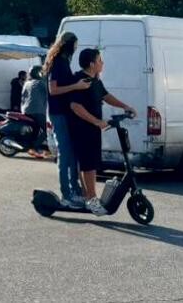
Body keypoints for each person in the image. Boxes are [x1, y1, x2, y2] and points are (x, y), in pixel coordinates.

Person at [68, 47, 136, 215]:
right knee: (88, 165)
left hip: (93, 128)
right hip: (82, 128)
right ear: (92, 64)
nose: (102, 63)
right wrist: (97, 122)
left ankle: (89, 198)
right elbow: (75, 106)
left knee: (91, 164)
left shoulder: (95, 80)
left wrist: (125, 106)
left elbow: (105, 96)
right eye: (100, 60)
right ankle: (91, 200)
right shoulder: (80, 81)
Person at [42, 32, 91, 209]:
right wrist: (76, 86)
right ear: (69, 44)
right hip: (58, 113)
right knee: (65, 153)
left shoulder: (63, 61)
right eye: (75, 45)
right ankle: (66, 194)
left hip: (65, 112)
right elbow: (53, 89)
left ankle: (75, 190)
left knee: (71, 153)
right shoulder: (58, 63)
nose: (76, 48)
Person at [20, 65, 49, 158]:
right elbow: (50, 91)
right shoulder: (40, 83)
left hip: (25, 110)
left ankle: (32, 147)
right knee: (47, 130)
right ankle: (34, 147)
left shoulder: (27, 83)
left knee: (36, 129)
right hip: (37, 110)